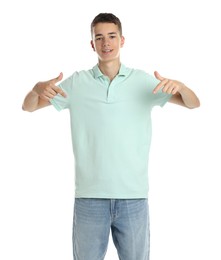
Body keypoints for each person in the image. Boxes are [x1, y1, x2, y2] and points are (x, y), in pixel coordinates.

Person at [22, 13, 200, 260]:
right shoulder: (77, 83)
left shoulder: (142, 81)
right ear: (92, 44)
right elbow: (29, 106)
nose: (106, 43)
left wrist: (181, 86)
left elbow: (193, 103)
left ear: (122, 40)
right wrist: (36, 88)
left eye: (112, 36)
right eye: (99, 37)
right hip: (89, 198)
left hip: (133, 197)